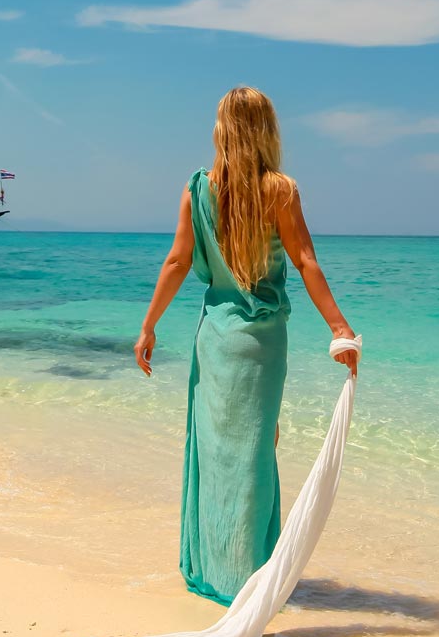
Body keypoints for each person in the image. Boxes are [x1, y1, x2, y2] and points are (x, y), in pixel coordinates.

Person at [134, 86, 358, 605]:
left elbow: (176, 262)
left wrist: (148, 327)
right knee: (256, 451)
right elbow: (304, 261)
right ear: (266, 130)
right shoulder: (280, 189)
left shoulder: (198, 190)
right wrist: (339, 328)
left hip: (215, 337)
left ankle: (221, 569)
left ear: (221, 129)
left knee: (216, 453)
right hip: (261, 343)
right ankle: (250, 573)